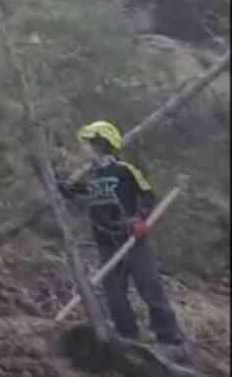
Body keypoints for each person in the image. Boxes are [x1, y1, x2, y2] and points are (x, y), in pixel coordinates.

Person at [60, 120, 190, 365]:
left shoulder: (125, 170)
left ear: (101, 144)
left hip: (132, 241)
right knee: (114, 295)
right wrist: (63, 187)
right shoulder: (90, 176)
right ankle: (128, 339)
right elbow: (77, 195)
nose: (83, 149)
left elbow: (147, 196)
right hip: (106, 244)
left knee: (150, 288)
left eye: (86, 144)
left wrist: (140, 219)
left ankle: (171, 342)